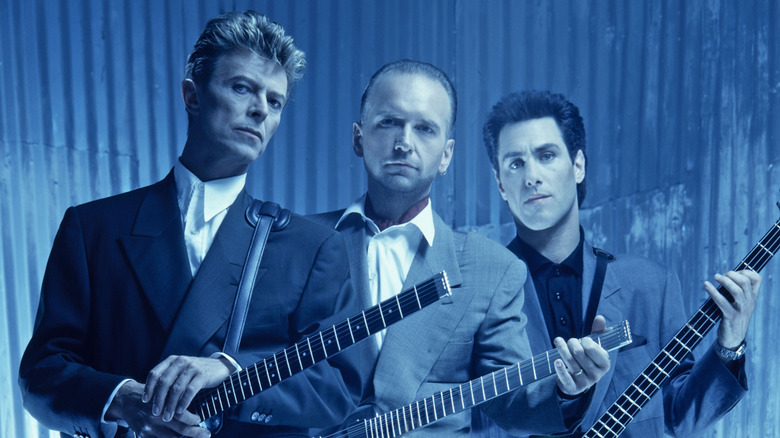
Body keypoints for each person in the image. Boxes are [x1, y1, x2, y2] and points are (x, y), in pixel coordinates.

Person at [19, 10, 361, 438]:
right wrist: (122, 401)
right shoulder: (92, 229)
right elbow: (42, 372)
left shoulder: (312, 247)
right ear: (192, 96)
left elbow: (336, 385)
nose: (260, 109)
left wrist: (234, 373)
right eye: (242, 88)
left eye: (275, 102)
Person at [310, 60, 611, 437]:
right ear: (358, 137)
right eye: (388, 122)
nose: (404, 142)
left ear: (446, 155)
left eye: (425, 128)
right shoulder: (302, 242)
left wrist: (569, 390)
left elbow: (512, 400)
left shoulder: (492, 268)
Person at [480, 89, 762, 437]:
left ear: (578, 166)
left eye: (547, 155)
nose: (531, 176)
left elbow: (680, 417)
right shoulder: (479, 298)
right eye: (515, 163)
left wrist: (730, 345)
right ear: (500, 183)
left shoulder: (651, 285)